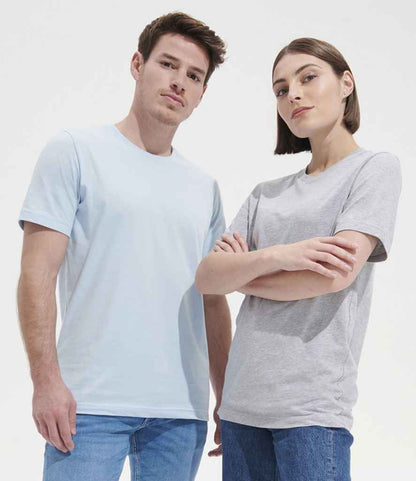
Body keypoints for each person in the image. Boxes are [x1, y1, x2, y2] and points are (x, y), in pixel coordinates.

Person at [17, 12, 230, 481]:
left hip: (180, 412)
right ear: (137, 64)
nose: (178, 82)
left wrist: (225, 397)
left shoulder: (204, 187)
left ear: (201, 94)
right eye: (167, 65)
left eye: (194, 76)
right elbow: (36, 274)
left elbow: (213, 300)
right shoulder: (75, 151)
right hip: (88, 404)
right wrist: (45, 381)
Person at [195, 37, 402, 481]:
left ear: (346, 84)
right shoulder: (265, 195)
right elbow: (208, 278)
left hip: (311, 409)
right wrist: (283, 255)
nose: (293, 94)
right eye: (281, 89)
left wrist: (243, 274)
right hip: (240, 406)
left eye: (308, 77)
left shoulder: (374, 169)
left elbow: (333, 275)